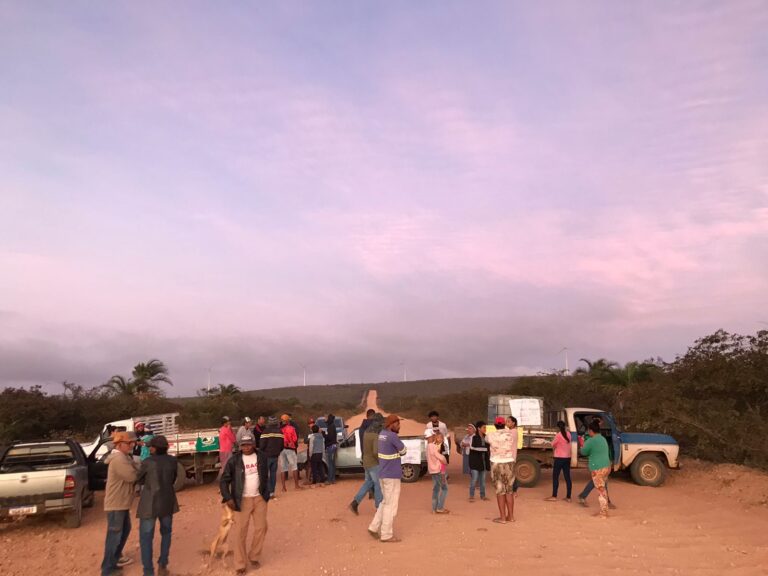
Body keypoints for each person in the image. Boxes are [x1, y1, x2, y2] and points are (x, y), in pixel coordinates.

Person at [220, 433, 272, 574]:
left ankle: (254, 556)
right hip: (241, 500)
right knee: (240, 533)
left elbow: (265, 475)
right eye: (243, 445)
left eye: (249, 444)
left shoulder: (261, 456)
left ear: (253, 444)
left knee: (261, 528)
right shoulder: (234, 460)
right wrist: (228, 497)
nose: (246, 447)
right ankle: (240, 564)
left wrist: (266, 493)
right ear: (239, 446)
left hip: (259, 498)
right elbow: (224, 480)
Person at [137, 435, 179, 576]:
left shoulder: (147, 462)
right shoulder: (173, 461)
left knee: (146, 538)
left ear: (154, 448)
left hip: (149, 503)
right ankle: (163, 564)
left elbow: (139, 479)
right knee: (166, 533)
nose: (149, 448)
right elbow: (173, 479)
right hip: (167, 501)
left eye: (150, 447)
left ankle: (148, 571)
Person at [101, 431, 139, 576]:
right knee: (115, 535)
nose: (132, 445)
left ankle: (114, 560)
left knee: (124, 530)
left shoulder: (123, 457)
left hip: (120, 503)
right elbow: (132, 476)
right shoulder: (118, 459)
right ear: (120, 444)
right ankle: (108, 569)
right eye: (130, 443)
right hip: (116, 503)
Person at [368, 414, 407, 543]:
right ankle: (386, 534)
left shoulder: (382, 435)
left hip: (383, 474)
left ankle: (374, 527)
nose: (399, 426)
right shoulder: (392, 436)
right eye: (397, 424)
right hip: (392, 476)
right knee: (391, 506)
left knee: (384, 503)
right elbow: (403, 451)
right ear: (391, 425)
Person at [485, 416, 518, 524]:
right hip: (509, 462)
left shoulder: (490, 435)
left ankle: (503, 518)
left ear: (494, 425)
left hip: (496, 463)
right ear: (504, 424)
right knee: (509, 490)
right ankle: (511, 516)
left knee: (500, 491)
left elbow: (486, 440)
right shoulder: (511, 434)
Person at [349, 413, 384, 514]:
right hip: (373, 463)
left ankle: (355, 502)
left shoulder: (366, 432)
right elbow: (375, 452)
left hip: (366, 461)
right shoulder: (375, 435)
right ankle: (379, 507)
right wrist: (380, 461)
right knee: (378, 485)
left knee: (368, 483)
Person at [580, 419, 612, 518]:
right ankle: (605, 510)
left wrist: (582, 444)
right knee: (603, 489)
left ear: (590, 430)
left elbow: (583, 452)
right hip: (606, 467)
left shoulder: (591, 440)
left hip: (597, 468)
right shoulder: (602, 439)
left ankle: (603, 513)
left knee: (601, 491)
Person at [545, 420, 572, 502]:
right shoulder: (568, 434)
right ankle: (568, 497)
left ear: (557, 428)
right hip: (567, 458)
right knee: (567, 477)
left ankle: (554, 496)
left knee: (555, 477)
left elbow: (552, 444)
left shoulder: (558, 435)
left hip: (559, 458)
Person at [258, 416, 284, 498]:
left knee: (265, 475)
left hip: (266, 456)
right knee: (273, 474)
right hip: (275, 456)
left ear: (269, 423)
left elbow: (261, 445)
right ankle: (272, 492)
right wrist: (277, 452)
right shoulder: (280, 432)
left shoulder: (265, 432)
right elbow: (282, 445)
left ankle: (267, 492)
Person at [279, 414, 303, 491]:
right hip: (290, 449)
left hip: (281, 450)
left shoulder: (278, 429)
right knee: (294, 467)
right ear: (288, 420)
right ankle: (296, 486)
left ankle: (283, 488)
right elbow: (295, 439)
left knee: (283, 468)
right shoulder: (291, 428)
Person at [427, 432, 449, 514]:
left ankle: (434, 508)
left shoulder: (429, 446)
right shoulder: (434, 446)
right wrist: (445, 461)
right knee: (445, 488)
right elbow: (442, 458)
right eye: (437, 437)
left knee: (436, 489)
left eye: (441, 438)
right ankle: (440, 507)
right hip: (439, 470)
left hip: (434, 470)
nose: (439, 439)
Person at [468, 420, 490, 502]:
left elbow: (488, 449)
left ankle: (483, 496)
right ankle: (471, 496)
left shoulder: (486, 437)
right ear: (479, 428)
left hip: (484, 462)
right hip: (475, 462)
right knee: (474, 479)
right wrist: (484, 449)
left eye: (486, 427)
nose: (485, 429)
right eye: (484, 427)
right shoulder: (473, 438)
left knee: (483, 481)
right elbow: (473, 448)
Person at [324, 413, 338, 484]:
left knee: (330, 464)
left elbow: (330, 438)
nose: (324, 419)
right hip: (333, 446)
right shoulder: (331, 426)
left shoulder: (331, 427)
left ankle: (330, 480)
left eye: (326, 418)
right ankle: (333, 479)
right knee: (332, 464)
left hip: (331, 447)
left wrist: (323, 434)